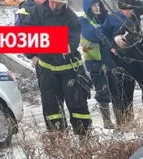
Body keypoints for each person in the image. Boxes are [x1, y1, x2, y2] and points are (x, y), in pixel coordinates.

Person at [24, 0, 92, 136]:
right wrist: (31, 55)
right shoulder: (36, 12)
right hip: (47, 71)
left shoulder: (71, 17)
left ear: (64, 4)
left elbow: (70, 43)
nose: (53, 5)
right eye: (51, 2)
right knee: (51, 108)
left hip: (70, 70)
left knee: (78, 105)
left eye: (57, 3)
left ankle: (84, 140)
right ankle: (59, 141)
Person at [79, 0, 118, 128]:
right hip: (94, 61)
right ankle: (107, 122)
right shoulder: (83, 19)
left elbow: (113, 32)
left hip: (108, 59)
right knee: (103, 91)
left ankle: (121, 120)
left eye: (98, 5)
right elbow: (94, 34)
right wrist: (106, 29)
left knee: (116, 91)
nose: (97, 7)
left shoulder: (101, 18)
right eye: (94, 5)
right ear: (88, 7)